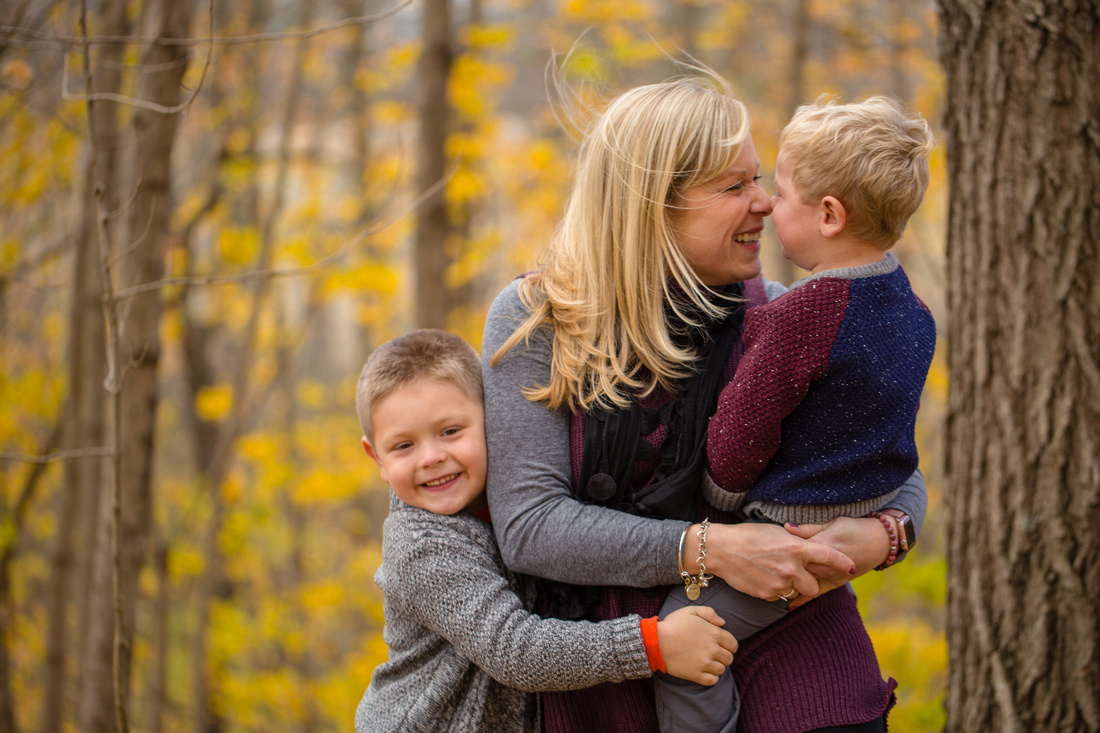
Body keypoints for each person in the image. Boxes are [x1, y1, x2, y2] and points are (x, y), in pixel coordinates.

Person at [483, 70, 929, 733]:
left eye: (761, 180)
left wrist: (883, 534)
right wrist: (710, 548)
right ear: (653, 205)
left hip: (791, 643)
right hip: (610, 661)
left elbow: (892, 466)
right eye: (736, 185)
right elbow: (530, 525)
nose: (766, 204)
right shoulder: (536, 319)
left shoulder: (784, 315)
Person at [653, 96, 937, 733]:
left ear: (829, 215)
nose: (766, 205)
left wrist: (721, 492)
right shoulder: (915, 313)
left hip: (790, 533)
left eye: (778, 192)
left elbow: (741, 431)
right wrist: (882, 523)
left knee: (686, 639)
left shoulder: (798, 316)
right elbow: (893, 435)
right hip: (861, 516)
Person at [352, 328, 739, 733]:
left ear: (493, 421)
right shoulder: (419, 544)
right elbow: (513, 649)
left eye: (450, 431)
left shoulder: (513, 500)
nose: (431, 457)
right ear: (374, 455)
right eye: (403, 446)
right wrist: (653, 645)